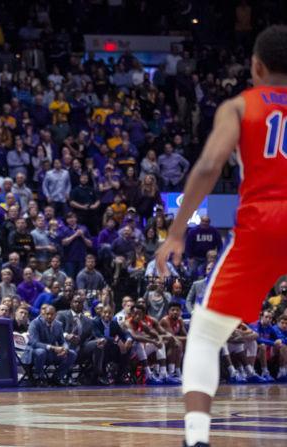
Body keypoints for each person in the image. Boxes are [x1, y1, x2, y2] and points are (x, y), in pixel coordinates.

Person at [155, 26, 287, 447]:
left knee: (207, 335)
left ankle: (196, 439)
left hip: (262, 221)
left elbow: (211, 165)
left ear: (256, 66)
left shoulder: (239, 106)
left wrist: (177, 232)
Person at [24, 304, 77, 387]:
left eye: (52, 314)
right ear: (43, 314)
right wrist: (53, 347)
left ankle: (57, 378)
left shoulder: (58, 324)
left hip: (50, 353)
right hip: (34, 353)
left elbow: (62, 341)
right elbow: (34, 343)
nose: (49, 316)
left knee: (72, 353)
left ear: (55, 315)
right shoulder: (34, 323)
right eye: (47, 314)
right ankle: (39, 378)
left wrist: (65, 349)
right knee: (41, 352)